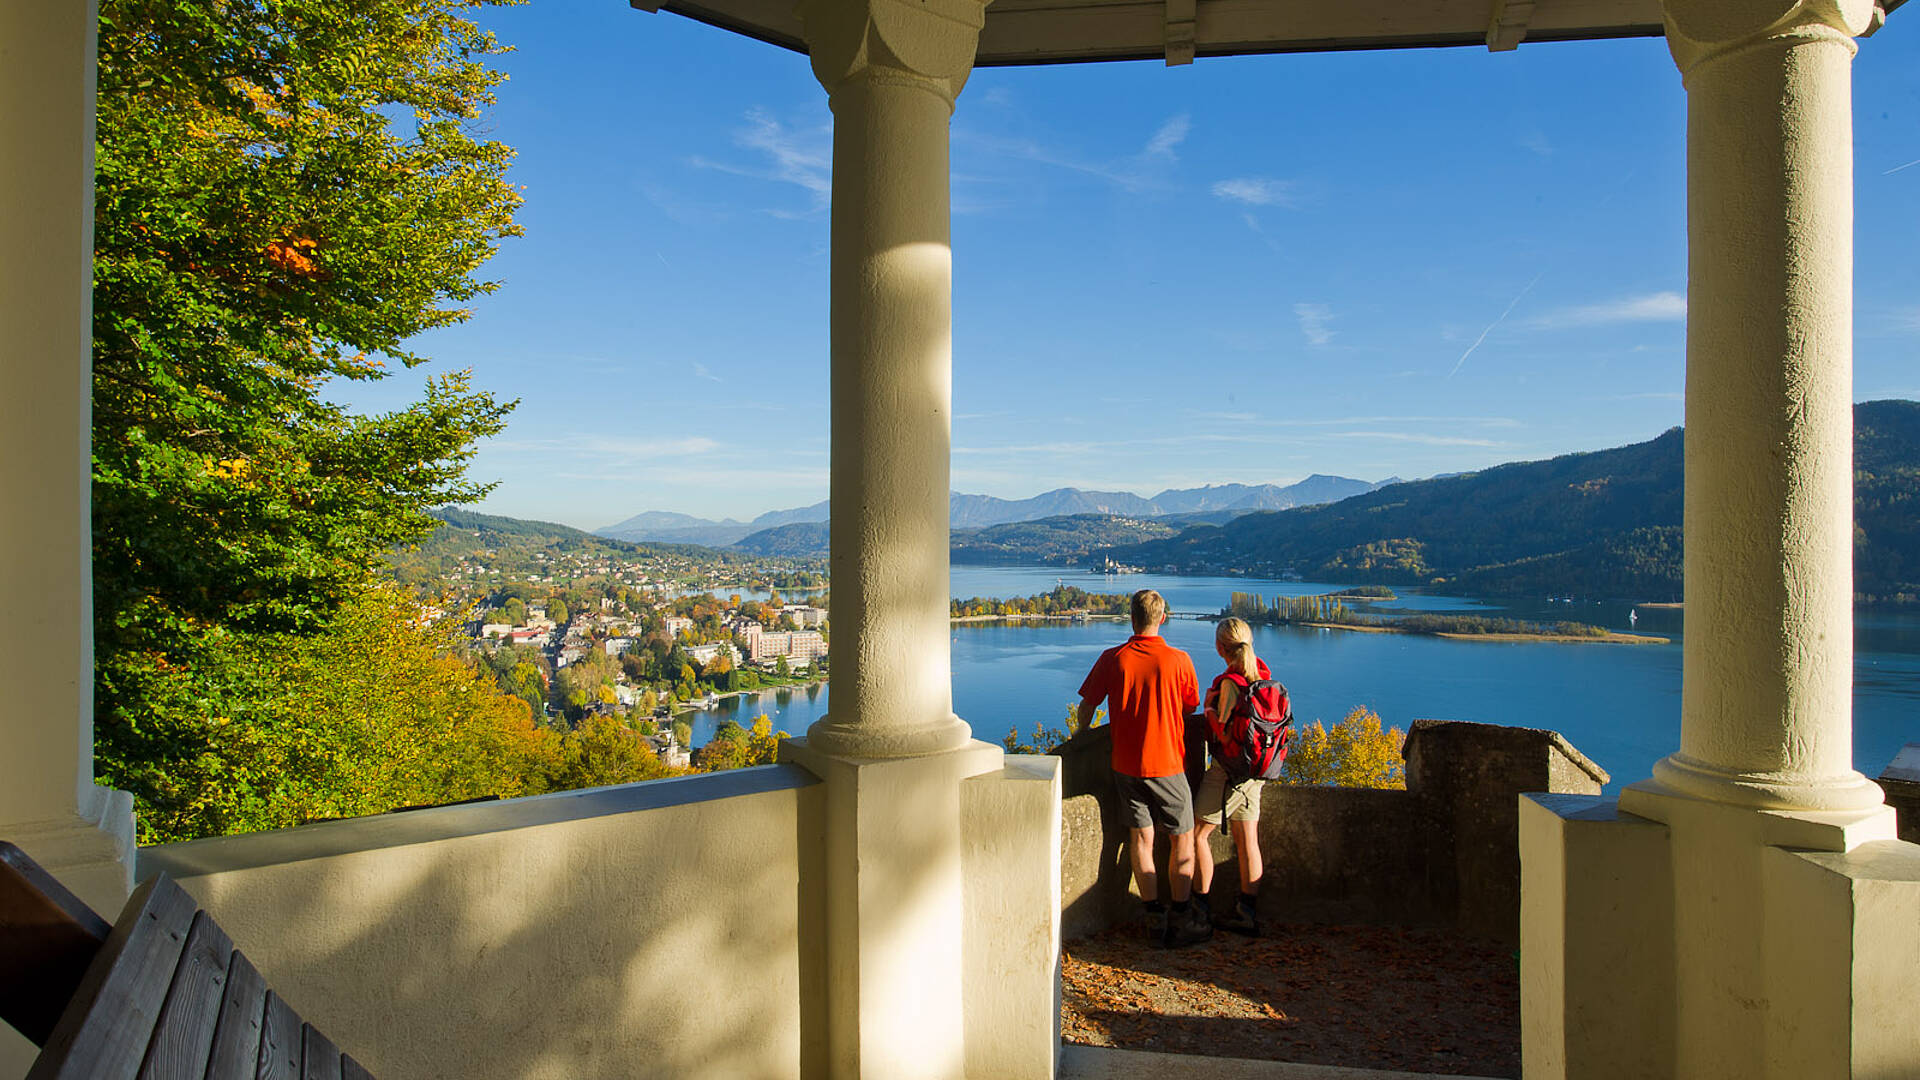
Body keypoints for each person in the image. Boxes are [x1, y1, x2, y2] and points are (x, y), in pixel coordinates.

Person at [1078, 588, 1209, 947]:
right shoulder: (1179, 660)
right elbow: (1189, 707)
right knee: (1182, 837)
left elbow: (1086, 709)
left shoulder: (1112, 657)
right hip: (1167, 763)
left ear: (1131, 617)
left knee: (1141, 837)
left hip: (1125, 764)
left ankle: (1153, 917)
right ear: (1162, 618)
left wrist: (1082, 737)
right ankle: (1180, 917)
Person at [1195, 616, 1268, 936]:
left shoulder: (1230, 682)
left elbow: (1222, 733)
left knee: (1196, 835)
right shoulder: (1262, 674)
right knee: (1247, 840)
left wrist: (1208, 708)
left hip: (1228, 771)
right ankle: (1247, 912)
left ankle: (1199, 907)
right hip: (1256, 771)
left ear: (1220, 647)